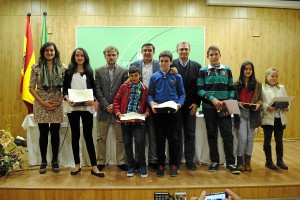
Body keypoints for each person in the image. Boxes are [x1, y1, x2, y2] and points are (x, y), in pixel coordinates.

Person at [197, 45, 239, 174]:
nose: (214, 57)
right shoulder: (203, 71)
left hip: (225, 107)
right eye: (211, 55)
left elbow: (231, 88)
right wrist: (213, 100)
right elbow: (199, 89)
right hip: (209, 108)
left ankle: (231, 163)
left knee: (227, 135)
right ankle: (214, 162)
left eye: (216, 54)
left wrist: (227, 100)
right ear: (208, 56)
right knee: (212, 135)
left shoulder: (227, 70)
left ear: (220, 55)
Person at [63, 48, 104, 177]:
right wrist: (68, 99)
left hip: (87, 108)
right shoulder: (68, 72)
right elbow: (64, 91)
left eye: (82, 55)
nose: (79, 57)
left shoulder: (89, 72)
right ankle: (77, 165)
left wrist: (93, 100)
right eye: (77, 55)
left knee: (88, 136)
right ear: (74, 57)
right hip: (73, 108)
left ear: (85, 57)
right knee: (75, 136)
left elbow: (95, 90)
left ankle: (94, 166)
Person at [29, 42, 66, 174]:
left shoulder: (62, 68)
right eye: (46, 51)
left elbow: (65, 88)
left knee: (55, 133)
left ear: (55, 52)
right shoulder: (36, 68)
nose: (49, 53)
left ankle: (55, 161)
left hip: (56, 103)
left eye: (51, 50)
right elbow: (31, 88)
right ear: (43, 52)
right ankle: (44, 161)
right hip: (41, 104)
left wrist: (59, 101)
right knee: (43, 133)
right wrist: (43, 103)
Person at [148, 50, 186, 177]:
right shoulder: (154, 77)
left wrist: (179, 104)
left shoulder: (177, 76)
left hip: (173, 112)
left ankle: (174, 164)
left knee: (173, 139)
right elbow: (150, 94)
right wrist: (152, 103)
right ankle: (160, 164)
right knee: (160, 139)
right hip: (158, 112)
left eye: (166, 61)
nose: (164, 63)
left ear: (171, 62)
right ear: (159, 62)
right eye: (162, 61)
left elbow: (182, 94)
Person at [95, 46, 128, 171]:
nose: (111, 57)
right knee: (101, 138)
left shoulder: (124, 71)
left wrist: (114, 105)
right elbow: (97, 90)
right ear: (105, 56)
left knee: (120, 138)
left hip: (118, 110)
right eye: (109, 55)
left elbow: (124, 90)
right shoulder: (98, 71)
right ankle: (100, 161)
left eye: (113, 55)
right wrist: (105, 105)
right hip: (103, 110)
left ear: (117, 56)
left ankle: (121, 161)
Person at [113, 65, 150, 177]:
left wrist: (146, 113)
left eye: (136, 75)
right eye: (131, 75)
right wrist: (119, 113)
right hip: (125, 121)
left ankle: (142, 166)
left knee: (139, 142)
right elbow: (116, 102)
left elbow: (148, 105)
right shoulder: (124, 87)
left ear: (139, 75)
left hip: (139, 121)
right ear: (129, 76)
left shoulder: (144, 88)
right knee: (127, 143)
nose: (134, 78)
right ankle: (131, 166)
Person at [130, 43, 160, 170]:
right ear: (141, 52)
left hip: (155, 104)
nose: (147, 52)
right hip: (139, 105)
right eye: (145, 50)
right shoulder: (134, 65)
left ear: (154, 52)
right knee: (139, 136)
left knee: (153, 134)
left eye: (150, 50)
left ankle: (153, 160)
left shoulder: (159, 65)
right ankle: (138, 160)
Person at [172, 41, 202, 171]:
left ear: (189, 50)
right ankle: (177, 160)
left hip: (191, 107)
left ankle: (189, 161)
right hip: (176, 107)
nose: (183, 51)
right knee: (177, 135)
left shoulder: (197, 66)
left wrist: (197, 103)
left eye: (186, 49)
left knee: (190, 134)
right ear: (177, 51)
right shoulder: (171, 65)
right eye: (181, 49)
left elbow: (199, 87)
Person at [234, 61, 262, 172]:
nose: (248, 71)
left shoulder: (257, 84)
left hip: (252, 114)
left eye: (250, 69)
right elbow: (234, 98)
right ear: (242, 70)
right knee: (242, 138)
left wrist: (259, 104)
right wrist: (238, 103)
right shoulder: (237, 84)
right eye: (246, 69)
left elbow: (260, 98)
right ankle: (240, 161)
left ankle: (248, 162)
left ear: (252, 71)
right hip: (240, 113)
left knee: (250, 138)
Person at [261, 67, 289, 170]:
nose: (274, 78)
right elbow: (261, 102)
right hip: (268, 117)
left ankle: (280, 160)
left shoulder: (281, 88)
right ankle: (268, 161)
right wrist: (267, 107)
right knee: (267, 140)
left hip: (279, 118)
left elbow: (286, 100)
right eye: (272, 76)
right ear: (267, 77)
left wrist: (287, 106)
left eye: (276, 76)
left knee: (279, 140)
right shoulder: (263, 88)